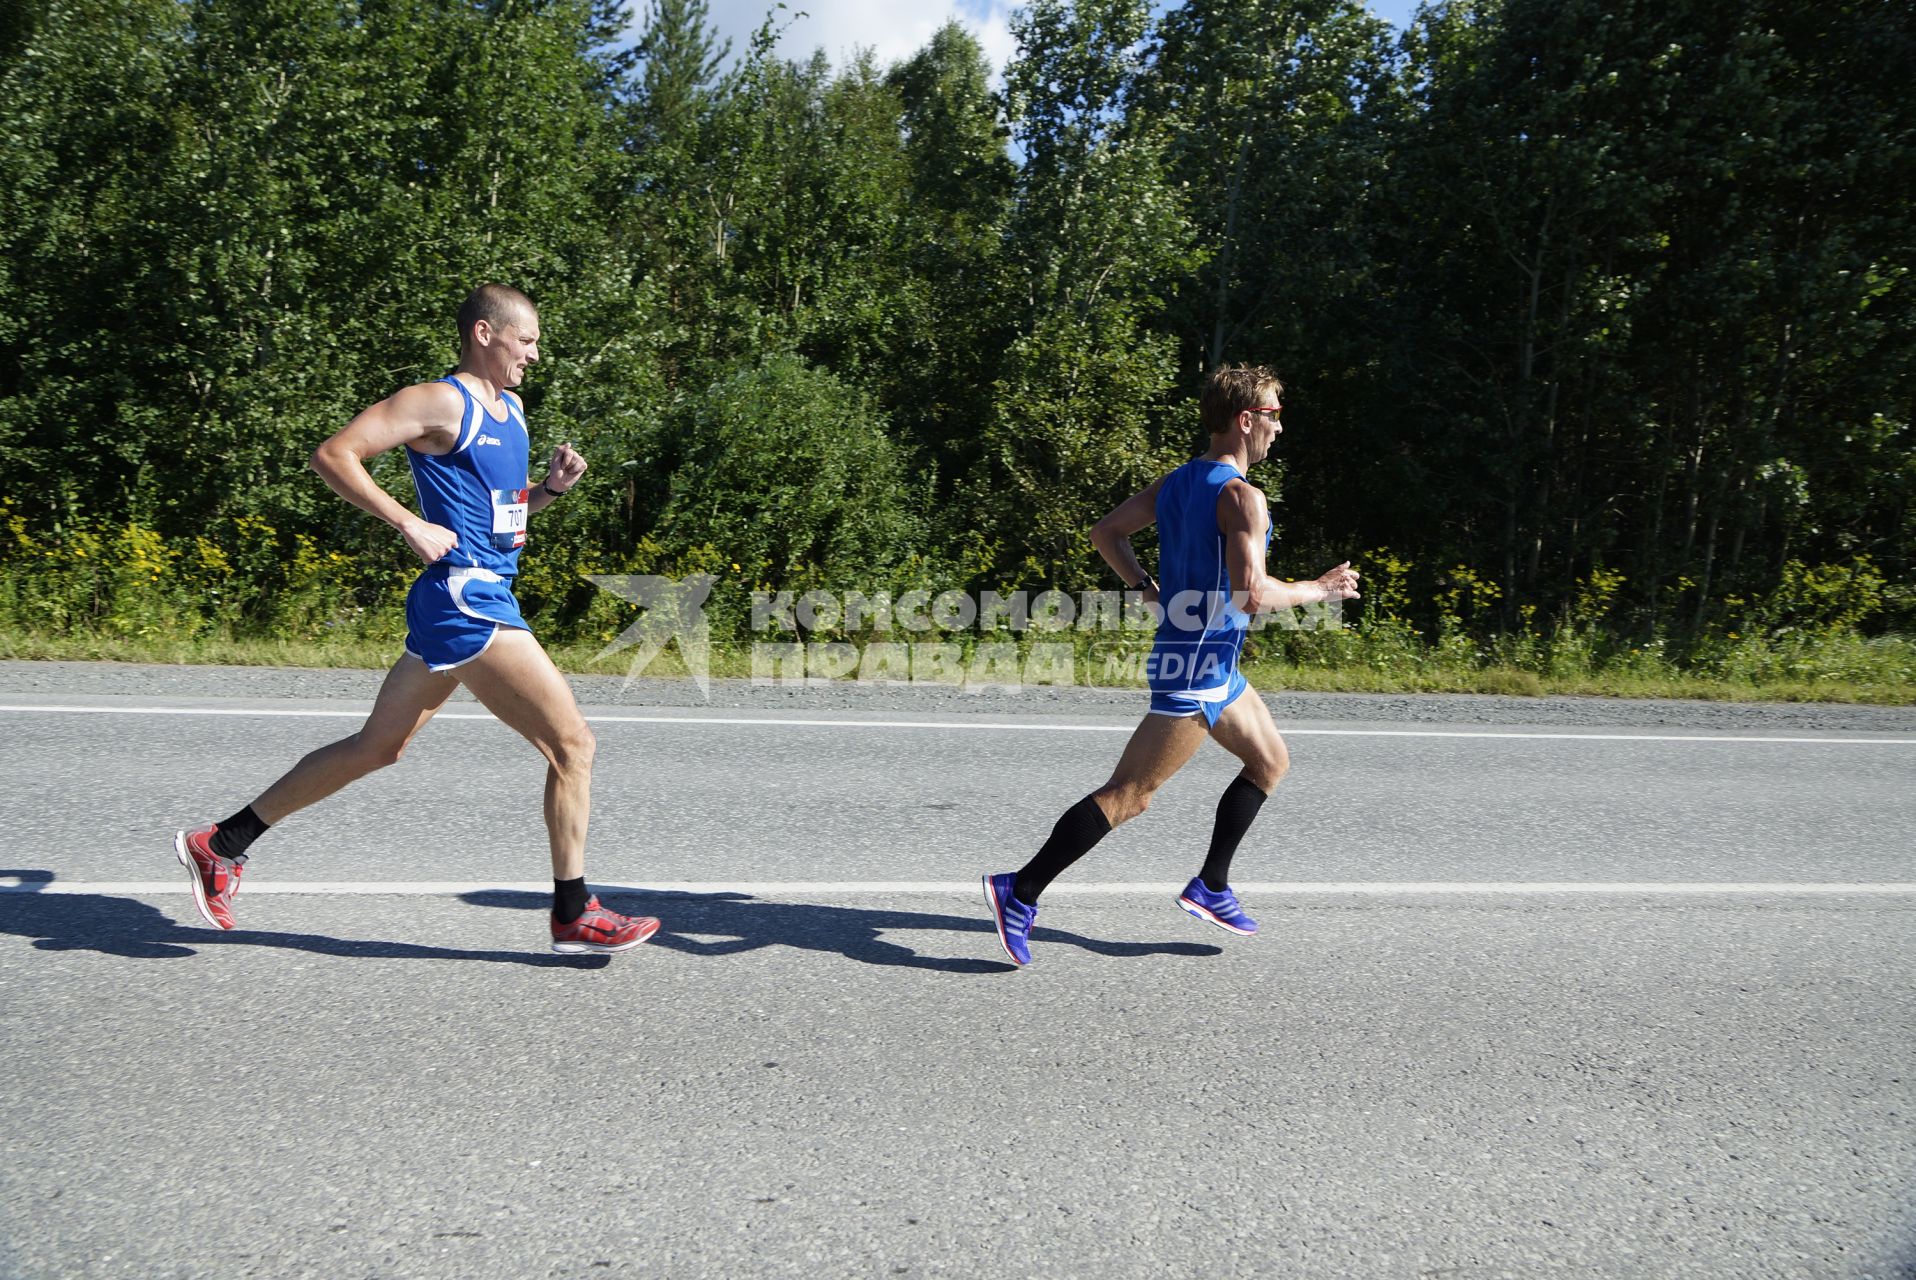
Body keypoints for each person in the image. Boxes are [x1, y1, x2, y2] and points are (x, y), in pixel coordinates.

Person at [174, 283, 659, 956]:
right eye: (527, 341)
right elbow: (333, 454)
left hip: (477, 593)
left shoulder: (512, 409)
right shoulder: (440, 401)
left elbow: (499, 519)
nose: (536, 355)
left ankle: (222, 843)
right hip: (467, 600)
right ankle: (573, 911)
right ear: (485, 335)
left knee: (377, 748)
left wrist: (548, 492)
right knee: (573, 747)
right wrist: (407, 521)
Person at [982, 363, 1360, 966]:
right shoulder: (1242, 497)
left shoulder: (1180, 482)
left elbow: (1107, 534)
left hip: (1213, 667)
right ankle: (1019, 890)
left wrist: (1144, 586)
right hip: (1194, 672)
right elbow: (1253, 594)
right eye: (1275, 415)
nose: (1280, 428)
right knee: (1130, 795)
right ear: (1246, 420)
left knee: (1269, 761)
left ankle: (1211, 885)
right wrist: (1320, 589)